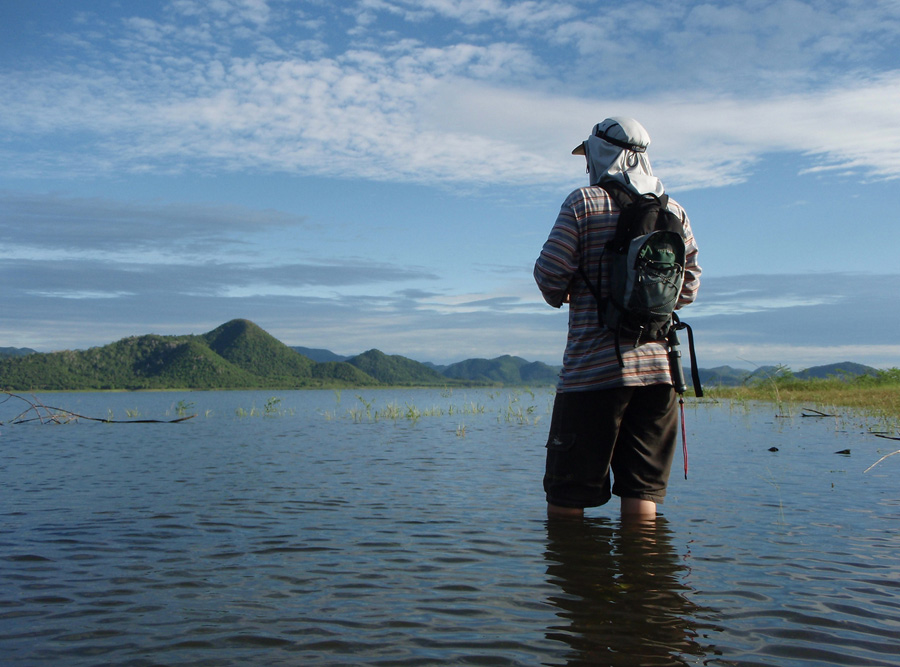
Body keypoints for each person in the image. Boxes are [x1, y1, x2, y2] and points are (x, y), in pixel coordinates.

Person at [534, 117, 701, 520]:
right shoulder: (674, 210)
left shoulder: (583, 202)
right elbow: (689, 289)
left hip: (593, 373)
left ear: (599, 154)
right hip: (659, 375)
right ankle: (644, 578)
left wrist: (578, 290)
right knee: (642, 493)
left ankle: (575, 578)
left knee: (567, 494)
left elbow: (549, 275)